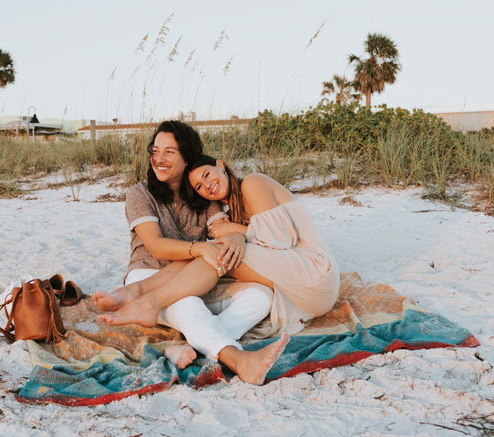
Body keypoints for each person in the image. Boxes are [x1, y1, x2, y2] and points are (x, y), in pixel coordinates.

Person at [91, 121, 288, 385]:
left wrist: (237, 236)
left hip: (197, 277)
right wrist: (199, 248)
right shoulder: (140, 193)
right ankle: (238, 359)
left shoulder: (202, 193)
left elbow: (221, 228)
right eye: (155, 150)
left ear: (187, 158)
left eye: (169, 152)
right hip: (149, 274)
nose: (159, 159)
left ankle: (191, 349)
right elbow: (156, 245)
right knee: (188, 304)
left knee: (261, 296)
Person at [98, 153, 339, 340]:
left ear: (220, 165)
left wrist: (236, 232)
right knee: (209, 251)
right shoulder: (231, 210)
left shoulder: (252, 184)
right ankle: (141, 295)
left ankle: (147, 302)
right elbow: (260, 242)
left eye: (206, 175)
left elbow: (282, 240)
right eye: (199, 188)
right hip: (299, 291)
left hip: (314, 271)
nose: (207, 186)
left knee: (216, 253)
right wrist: (235, 234)